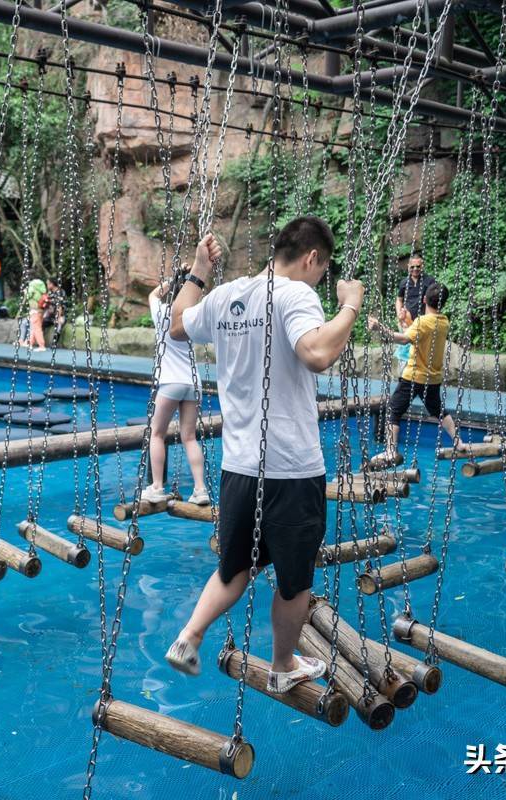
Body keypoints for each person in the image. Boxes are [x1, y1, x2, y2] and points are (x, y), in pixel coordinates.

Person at [164, 217, 365, 692]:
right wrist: (350, 306)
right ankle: (281, 668)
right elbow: (316, 352)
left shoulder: (228, 295)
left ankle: (188, 639)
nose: (319, 278)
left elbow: (176, 325)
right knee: (295, 582)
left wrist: (197, 272)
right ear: (312, 258)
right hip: (292, 471)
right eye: (322, 269)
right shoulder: (296, 293)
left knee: (235, 567)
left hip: (239, 468)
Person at [368, 282, 465, 460]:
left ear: (424, 299)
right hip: (433, 378)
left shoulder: (423, 322)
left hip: (414, 377)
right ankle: (458, 443)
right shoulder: (443, 322)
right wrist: (408, 321)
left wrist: (379, 328)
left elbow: (405, 339)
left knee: (393, 410)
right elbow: (419, 333)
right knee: (439, 410)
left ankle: (390, 451)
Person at [141, 269, 210, 506]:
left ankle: (157, 486)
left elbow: (153, 295)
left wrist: (174, 279)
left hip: (170, 382)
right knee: (189, 437)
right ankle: (200, 489)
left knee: (156, 433)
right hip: (192, 382)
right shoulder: (191, 316)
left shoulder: (161, 311)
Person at [19, 277, 47, 351]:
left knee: (37, 328)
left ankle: (42, 346)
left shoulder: (32, 286)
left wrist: (25, 292)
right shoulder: (41, 286)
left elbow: (29, 295)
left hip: (35, 310)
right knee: (34, 328)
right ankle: (30, 343)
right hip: (40, 310)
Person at [41, 277, 66, 347]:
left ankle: (54, 343)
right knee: (41, 323)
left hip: (60, 314)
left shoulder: (61, 292)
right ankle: (40, 341)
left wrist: (58, 317)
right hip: (50, 315)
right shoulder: (49, 293)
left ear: (52, 284)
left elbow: (60, 306)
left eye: (48, 284)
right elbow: (46, 305)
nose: (47, 285)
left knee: (59, 324)